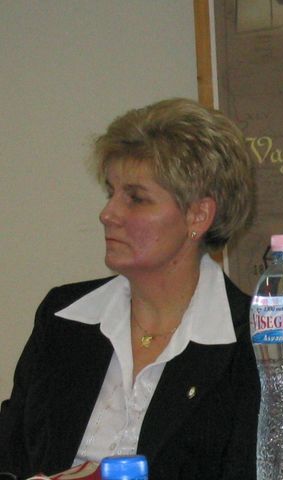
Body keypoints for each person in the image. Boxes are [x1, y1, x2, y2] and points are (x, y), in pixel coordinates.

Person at [0, 98, 260, 479]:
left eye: (136, 198)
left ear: (198, 215)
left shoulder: (254, 343)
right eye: (111, 193)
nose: (107, 214)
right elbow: (10, 458)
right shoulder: (62, 319)